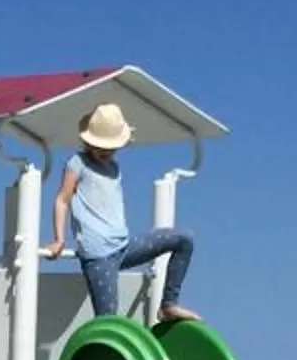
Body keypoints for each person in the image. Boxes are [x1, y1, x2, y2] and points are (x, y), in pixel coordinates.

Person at [41, 102, 198, 325]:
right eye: (100, 146)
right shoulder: (77, 164)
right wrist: (59, 239)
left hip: (123, 247)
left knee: (184, 239)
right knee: (109, 322)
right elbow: (62, 199)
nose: (105, 152)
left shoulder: (114, 168)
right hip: (99, 257)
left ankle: (168, 305)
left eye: (110, 147)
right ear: (87, 141)